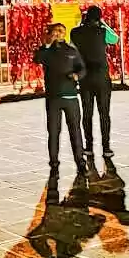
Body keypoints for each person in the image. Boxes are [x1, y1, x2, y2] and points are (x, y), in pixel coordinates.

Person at [33, 23, 87, 186]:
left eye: (62, 31)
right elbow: (37, 59)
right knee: (54, 132)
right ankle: (54, 165)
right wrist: (47, 43)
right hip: (54, 98)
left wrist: (77, 76)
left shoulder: (71, 51)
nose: (59, 34)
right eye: (56, 31)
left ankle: (80, 162)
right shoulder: (47, 52)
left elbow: (82, 68)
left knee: (75, 131)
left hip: (71, 97)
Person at [70, 5, 118, 172]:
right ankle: (106, 147)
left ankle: (88, 146)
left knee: (87, 112)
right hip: (102, 78)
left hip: (85, 78)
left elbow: (73, 47)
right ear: (99, 17)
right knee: (104, 113)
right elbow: (115, 39)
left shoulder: (75, 33)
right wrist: (103, 23)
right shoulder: (102, 32)